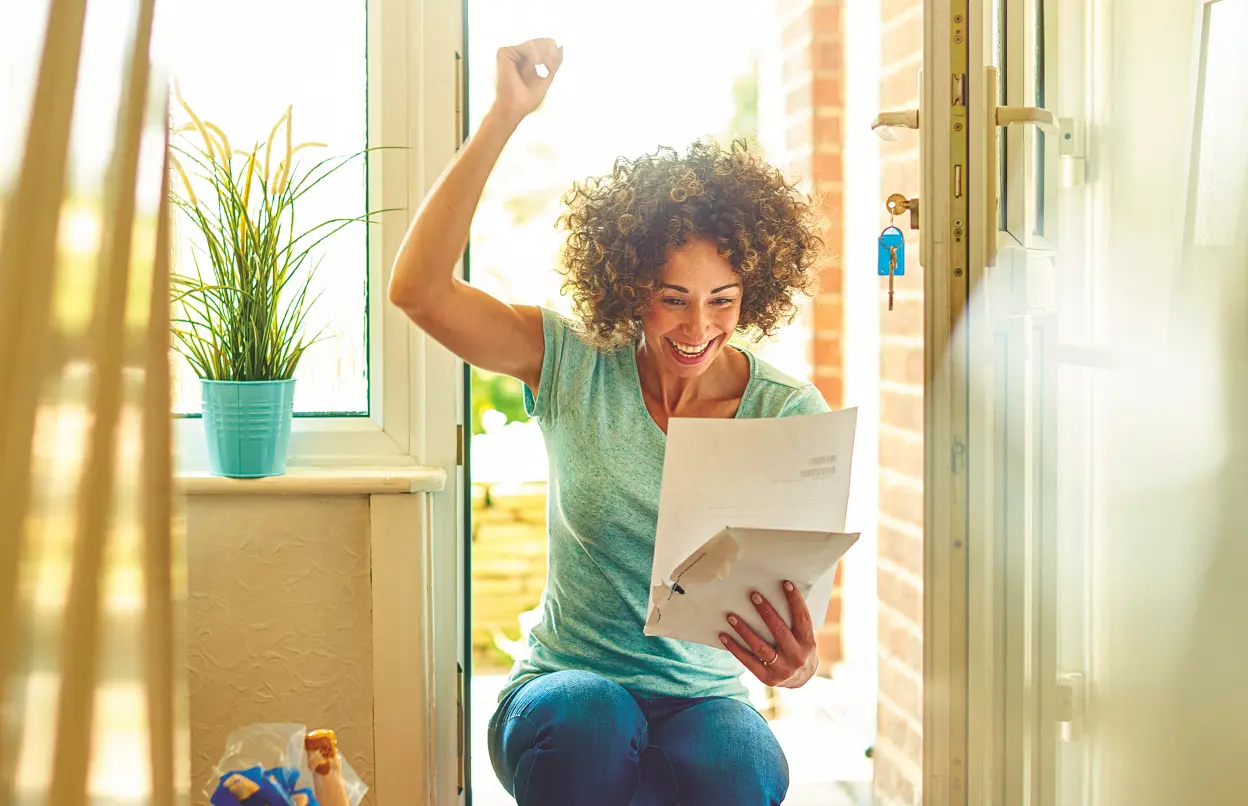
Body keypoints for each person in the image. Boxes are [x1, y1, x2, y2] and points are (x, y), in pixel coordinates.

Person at [389, 37, 831, 806]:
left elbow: (796, 603)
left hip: (703, 703)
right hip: (566, 696)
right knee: (593, 719)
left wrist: (796, 667)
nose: (697, 328)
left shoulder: (787, 413)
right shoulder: (573, 361)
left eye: (722, 300)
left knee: (746, 766)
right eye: (672, 297)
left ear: (752, 290)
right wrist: (504, 116)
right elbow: (419, 290)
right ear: (628, 285)